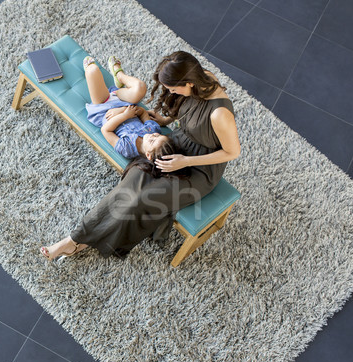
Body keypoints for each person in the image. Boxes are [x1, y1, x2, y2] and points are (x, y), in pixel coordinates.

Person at [41, 51, 240, 261]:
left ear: (189, 82)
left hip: (199, 170)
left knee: (141, 199)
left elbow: (232, 152)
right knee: (131, 183)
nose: (170, 92)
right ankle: (74, 240)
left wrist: (186, 161)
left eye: (172, 88)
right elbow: (189, 113)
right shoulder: (200, 79)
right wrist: (164, 121)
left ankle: (86, 241)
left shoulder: (220, 113)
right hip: (176, 145)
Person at [82, 55, 170, 160]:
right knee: (140, 87)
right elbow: (142, 112)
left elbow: (105, 130)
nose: (153, 136)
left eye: (152, 141)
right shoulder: (153, 129)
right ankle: (119, 76)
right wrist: (123, 110)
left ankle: (99, 78)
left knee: (92, 70)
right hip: (123, 102)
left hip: (103, 108)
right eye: (158, 136)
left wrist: (124, 116)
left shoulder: (127, 149)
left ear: (148, 155)